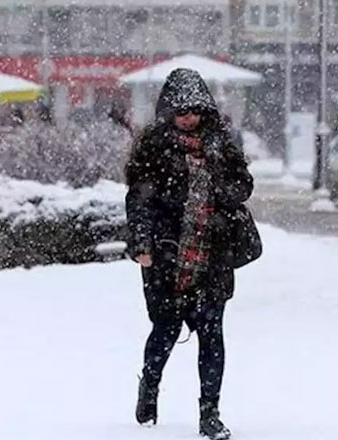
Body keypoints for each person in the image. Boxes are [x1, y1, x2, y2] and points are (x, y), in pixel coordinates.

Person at [125, 68, 256, 440]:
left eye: (195, 110)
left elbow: (243, 185)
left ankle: (209, 412)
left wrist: (224, 194)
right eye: (182, 111)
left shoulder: (221, 143)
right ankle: (150, 385)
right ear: (169, 110)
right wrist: (142, 245)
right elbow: (139, 200)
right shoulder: (154, 145)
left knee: (212, 335)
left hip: (211, 252)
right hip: (169, 254)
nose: (189, 117)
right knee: (165, 331)